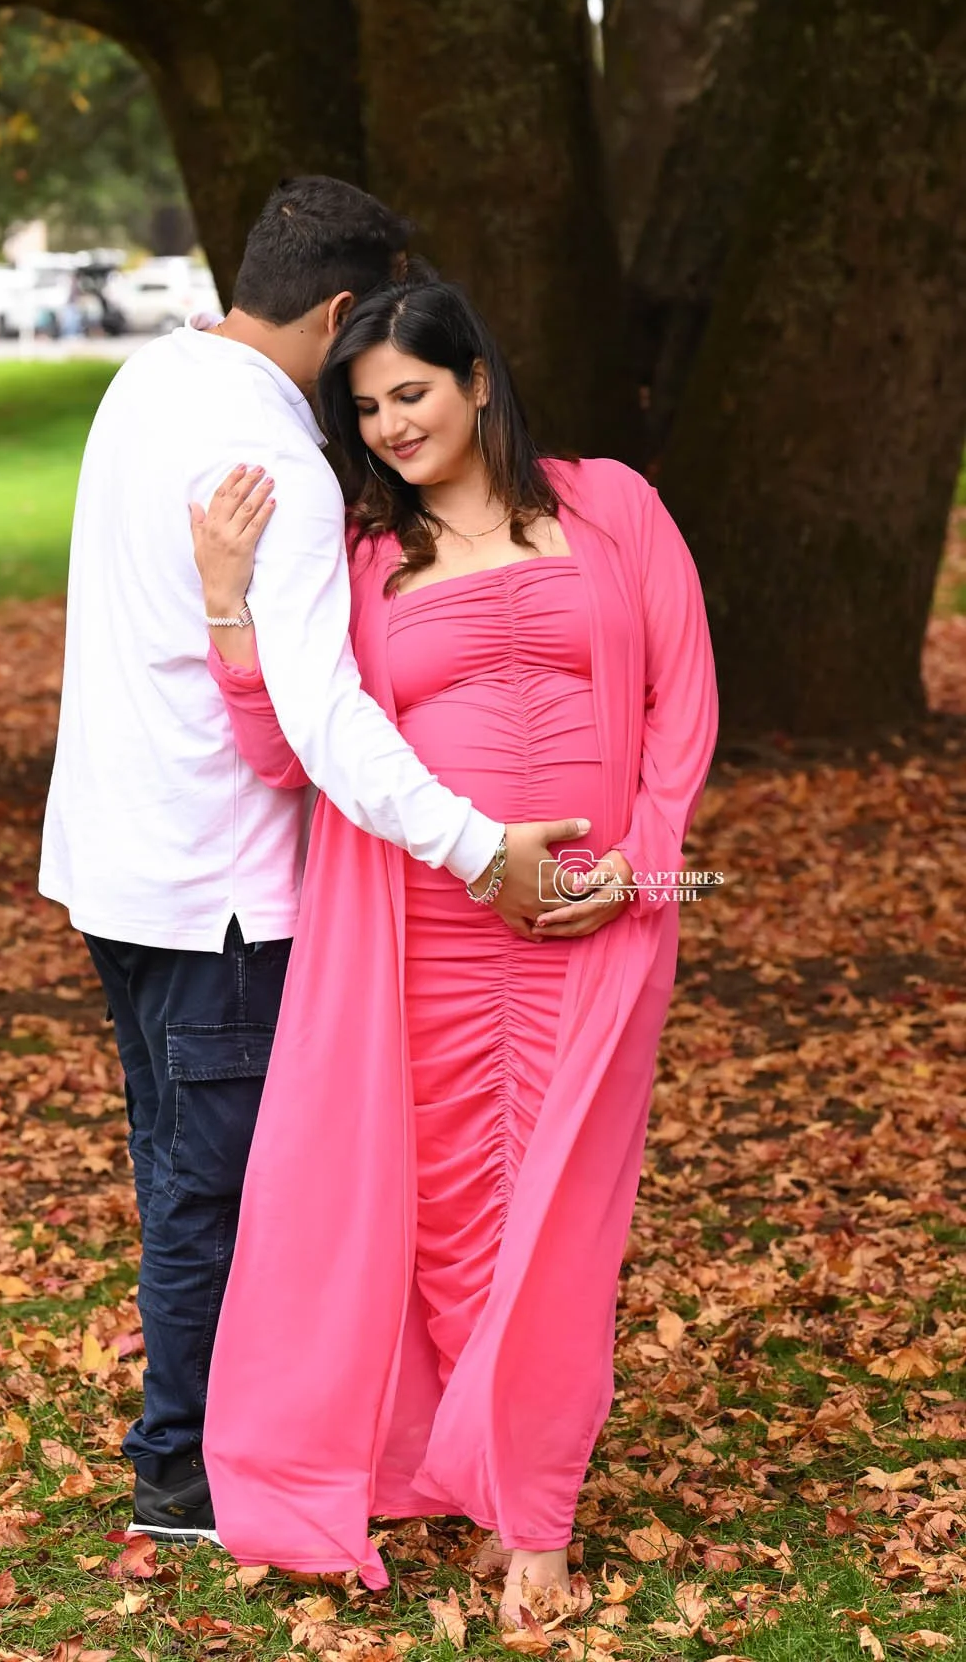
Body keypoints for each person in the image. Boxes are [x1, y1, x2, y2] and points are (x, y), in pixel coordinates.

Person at [39, 181, 594, 1543]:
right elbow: (319, 713)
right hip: (219, 877)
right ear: (344, 311)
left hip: (116, 855)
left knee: (179, 1165)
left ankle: (200, 1446)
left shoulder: (149, 380)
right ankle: (187, 1471)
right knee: (216, 1194)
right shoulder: (268, 459)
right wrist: (475, 848)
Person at [191, 279, 719, 1621]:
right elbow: (286, 751)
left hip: (595, 925)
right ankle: (470, 1477)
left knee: (563, 1222)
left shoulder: (612, 508)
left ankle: (533, 1517)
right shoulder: (364, 562)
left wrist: (641, 874)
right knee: (449, 1224)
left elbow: (680, 707)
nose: (387, 427)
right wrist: (227, 606)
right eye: (363, 409)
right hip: (430, 929)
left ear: (476, 379)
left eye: (409, 394)